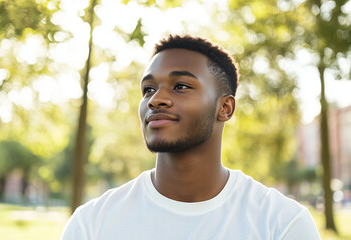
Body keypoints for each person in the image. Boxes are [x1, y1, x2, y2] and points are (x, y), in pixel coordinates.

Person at [60, 34, 320, 239]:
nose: (156, 99)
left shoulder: (282, 224)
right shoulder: (91, 225)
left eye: (181, 86)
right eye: (148, 89)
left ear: (225, 108)